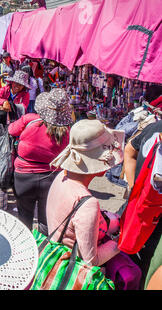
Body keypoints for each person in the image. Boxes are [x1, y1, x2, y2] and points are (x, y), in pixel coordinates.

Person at [47, 119, 141, 289]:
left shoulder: (61, 176)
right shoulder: (87, 203)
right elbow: (90, 260)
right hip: (72, 272)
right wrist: (120, 241)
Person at [8, 89, 72, 233]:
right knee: (45, 220)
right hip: (52, 179)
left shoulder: (30, 119)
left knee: (24, 218)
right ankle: (42, 251)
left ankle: (26, 249)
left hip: (23, 177)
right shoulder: (66, 131)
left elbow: (11, 130)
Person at [123, 117, 162, 288]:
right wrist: (134, 189)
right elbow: (130, 150)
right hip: (150, 214)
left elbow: (129, 150)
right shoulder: (154, 127)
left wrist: (133, 188)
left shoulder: (154, 127)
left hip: (143, 208)